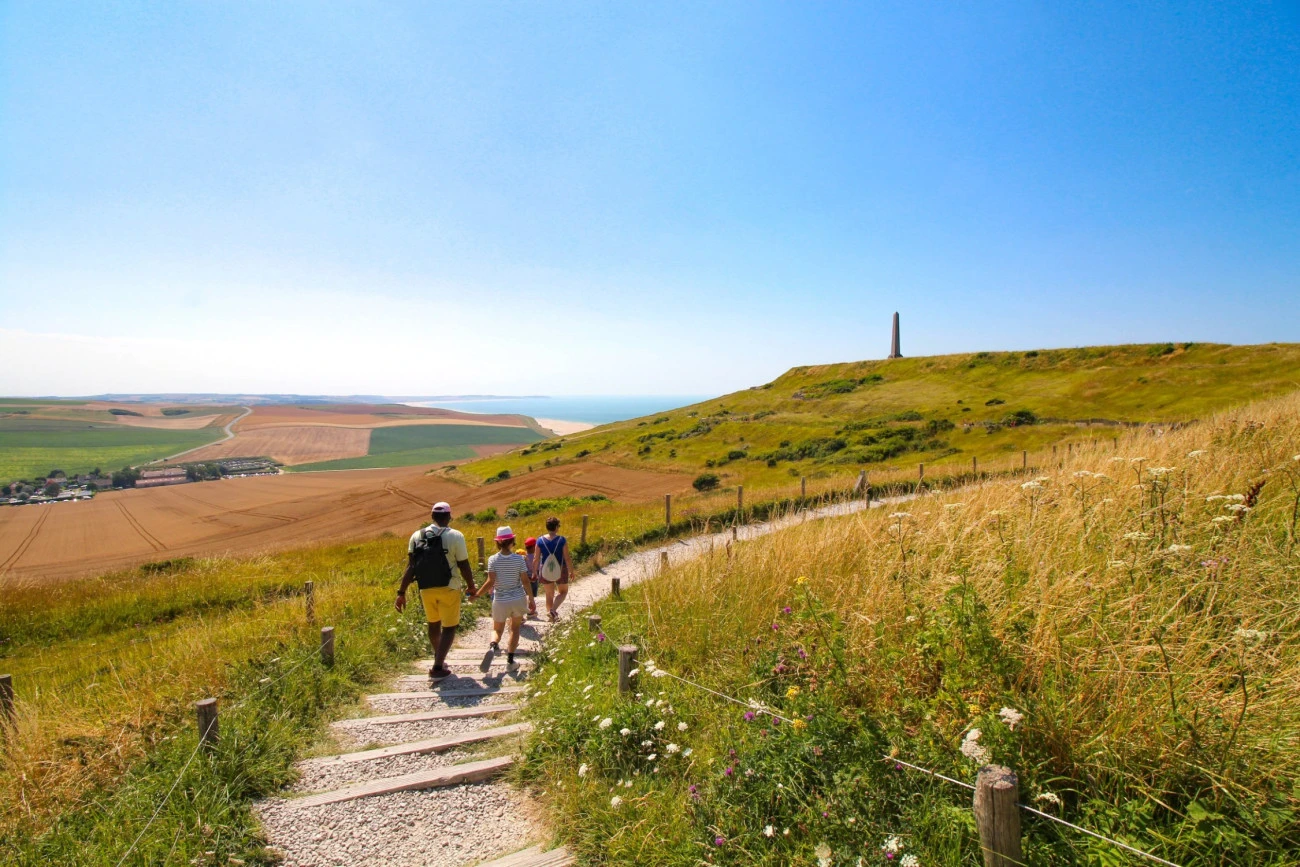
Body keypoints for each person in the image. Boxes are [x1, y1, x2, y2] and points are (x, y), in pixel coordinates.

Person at [395, 501, 477, 681]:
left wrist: (401, 593)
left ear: (432, 517)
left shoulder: (416, 536)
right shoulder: (456, 536)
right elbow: (463, 564)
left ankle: (439, 658)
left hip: (425, 587)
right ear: (449, 517)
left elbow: (411, 567)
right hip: (449, 587)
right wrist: (471, 585)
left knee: (434, 624)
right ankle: (438, 666)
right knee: (449, 627)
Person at [473, 526, 534, 666]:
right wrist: (530, 599)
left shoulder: (493, 560)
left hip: (500, 599)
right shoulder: (519, 559)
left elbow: (490, 582)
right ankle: (510, 660)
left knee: (497, 629)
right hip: (518, 598)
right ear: (512, 541)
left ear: (498, 542)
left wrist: (477, 595)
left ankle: (493, 645)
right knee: (515, 629)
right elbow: (525, 581)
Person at [536, 516, 574, 621]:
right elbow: (567, 557)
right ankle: (553, 610)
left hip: (545, 569)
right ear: (556, 527)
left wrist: (535, 572)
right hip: (561, 568)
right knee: (563, 592)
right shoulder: (562, 540)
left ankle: (551, 616)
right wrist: (571, 571)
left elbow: (536, 558)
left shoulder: (540, 540)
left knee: (549, 594)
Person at [522, 537, 540, 618]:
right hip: (534, 579)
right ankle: (530, 611)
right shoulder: (537, 557)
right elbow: (539, 568)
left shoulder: (524, 557)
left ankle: (524, 611)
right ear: (534, 547)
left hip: (525, 578)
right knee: (531, 595)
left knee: (525, 594)